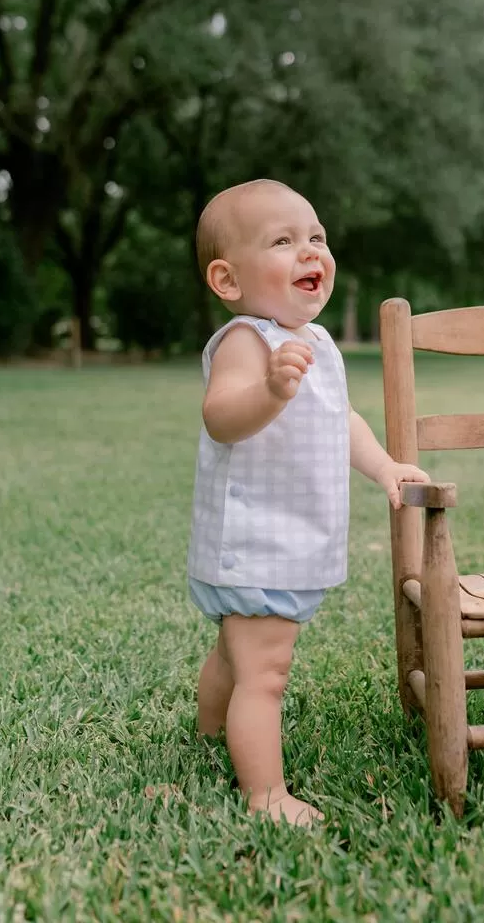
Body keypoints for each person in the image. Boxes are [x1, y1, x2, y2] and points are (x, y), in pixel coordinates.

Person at [188, 179, 429, 825]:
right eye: (283, 241)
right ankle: (264, 795)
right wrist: (268, 390)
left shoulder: (317, 346)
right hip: (257, 539)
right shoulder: (248, 341)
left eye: (316, 237)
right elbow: (221, 417)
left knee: (235, 655)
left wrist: (383, 465)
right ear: (228, 280)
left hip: (284, 536)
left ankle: (208, 741)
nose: (309, 251)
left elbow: (339, 422)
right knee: (264, 673)